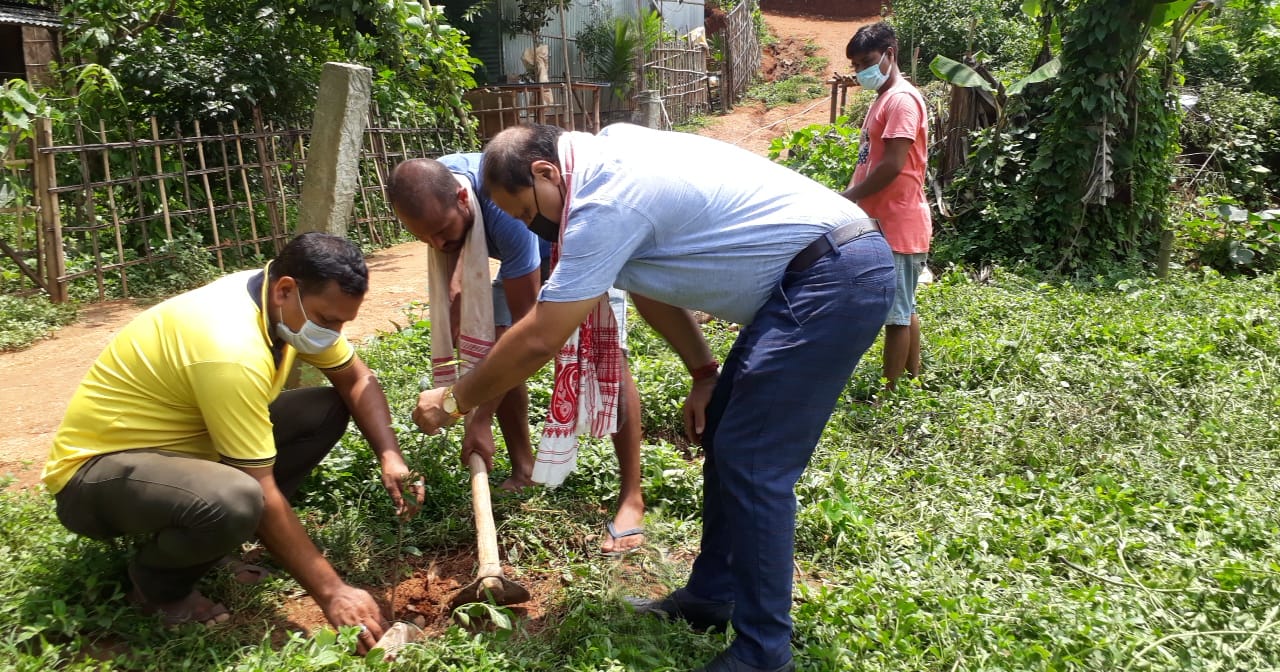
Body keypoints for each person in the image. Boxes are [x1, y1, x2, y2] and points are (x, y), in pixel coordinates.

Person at [410, 123, 895, 672]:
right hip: (814, 276)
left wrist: (454, 401)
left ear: (545, 173)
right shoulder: (603, 157)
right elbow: (651, 286)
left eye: (524, 212)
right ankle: (712, 596)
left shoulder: (603, 199)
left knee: (755, 462)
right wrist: (704, 370)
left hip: (832, 276)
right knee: (728, 435)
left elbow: (542, 335)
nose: (530, 227)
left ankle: (764, 652)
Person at [42, 232, 422, 653]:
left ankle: (212, 540)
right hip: (96, 476)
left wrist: (390, 454)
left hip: (179, 455)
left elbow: (357, 379)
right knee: (239, 500)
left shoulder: (272, 302)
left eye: (343, 322)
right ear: (285, 290)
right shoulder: (230, 348)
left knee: (327, 409)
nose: (334, 333)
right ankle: (157, 587)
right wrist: (333, 592)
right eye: (327, 320)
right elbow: (258, 486)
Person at [385, 155, 647, 555]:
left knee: (606, 357)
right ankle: (524, 469)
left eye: (441, 231)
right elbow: (456, 259)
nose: (437, 244)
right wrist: (459, 305)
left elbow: (529, 332)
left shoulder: (498, 207)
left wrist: (478, 415)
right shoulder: (435, 189)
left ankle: (632, 496)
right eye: (426, 239)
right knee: (490, 343)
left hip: (581, 240)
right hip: (527, 253)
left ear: (462, 199)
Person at [840, 21, 932, 391]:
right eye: (856, 65)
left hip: (899, 222)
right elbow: (867, 161)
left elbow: (893, 165)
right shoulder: (883, 99)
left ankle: (889, 393)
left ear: (890, 54)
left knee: (895, 316)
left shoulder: (902, 100)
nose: (861, 71)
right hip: (885, 221)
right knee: (904, 309)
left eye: (868, 60)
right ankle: (912, 380)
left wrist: (849, 198)